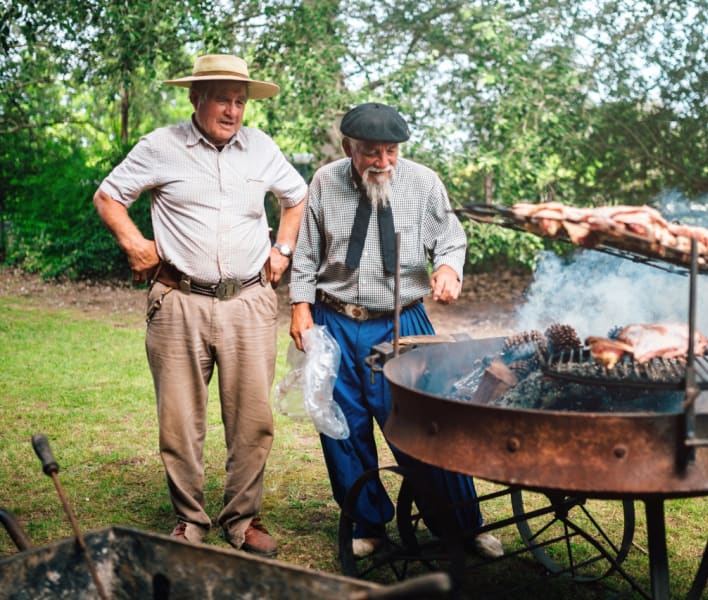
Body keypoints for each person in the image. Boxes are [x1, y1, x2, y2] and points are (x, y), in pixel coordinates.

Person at [93, 54, 307, 558]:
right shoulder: (160, 147)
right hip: (178, 301)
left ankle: (243, 519)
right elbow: (108, 197)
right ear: (196, 98)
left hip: (249, 301)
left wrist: (284, 250)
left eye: (240, 101)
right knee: (180, 418)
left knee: (253, 419)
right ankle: (190, 519)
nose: (233, 111)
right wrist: (135, 244)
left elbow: (295, 197)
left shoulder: (261, 148)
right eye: (222, 99)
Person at [288, 102, 503, 559]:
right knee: (342, 427)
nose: (383, 162)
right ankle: (368, 525)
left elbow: (451, 237)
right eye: (371, 152)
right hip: (336, 321)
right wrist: (300, 308)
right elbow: (306, 253)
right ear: (349, 147)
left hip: (404, 321)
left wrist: (447, 268)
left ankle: (463, 525)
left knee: (426, 423)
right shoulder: (326, 182)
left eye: (391, 152)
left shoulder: (423, 182)